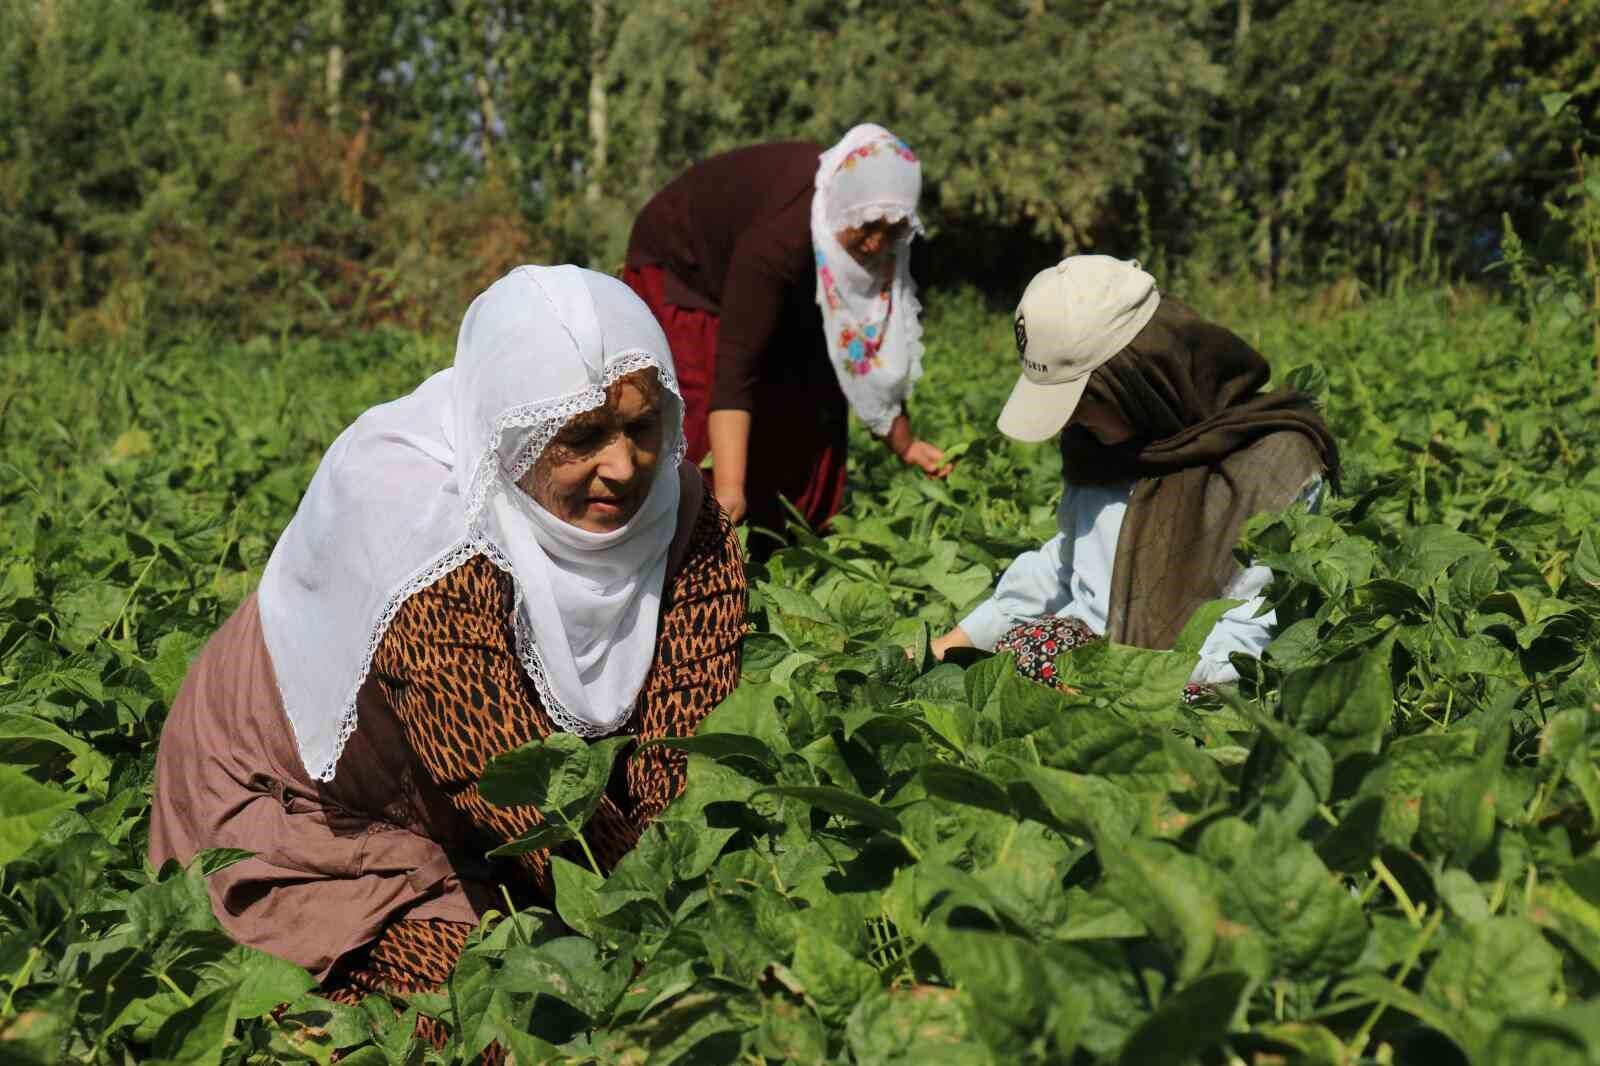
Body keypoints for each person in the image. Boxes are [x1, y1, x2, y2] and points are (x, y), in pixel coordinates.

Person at [148, 266, 746, 1048]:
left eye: (643, 426)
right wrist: (657, 936)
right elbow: (513, 783)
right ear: (513, 433)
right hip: (310, 821)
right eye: (582, 436)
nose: (625, 467)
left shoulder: (685, 515)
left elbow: (688, 737)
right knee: (496, 1024)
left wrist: (688, 897)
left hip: (495, 824)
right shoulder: (418, 534)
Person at [931, 256, 1338, 693]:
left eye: (1082, 401)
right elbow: (1063, 567)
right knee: (1023, 655)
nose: (1069, 422)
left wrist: (1136, 690)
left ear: (1137, 381)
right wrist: (950, 647)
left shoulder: (1271, 467)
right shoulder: (1100, 449)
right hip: (1090, 668)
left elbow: (1251, 627)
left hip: (1191, 686)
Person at [623, 123, 949, 545]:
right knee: (698, 422)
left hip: (768, 272)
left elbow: (861, 349)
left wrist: (905, 444)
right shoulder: (781, 237)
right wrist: (728, 491)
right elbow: (735, 370)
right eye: (868, 226)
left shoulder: (888, 250)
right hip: (688, 269)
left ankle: (785, 542)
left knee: (809, 401)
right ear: (845, 203)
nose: (874, 244)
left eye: (892, 230)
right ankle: (688, 542)